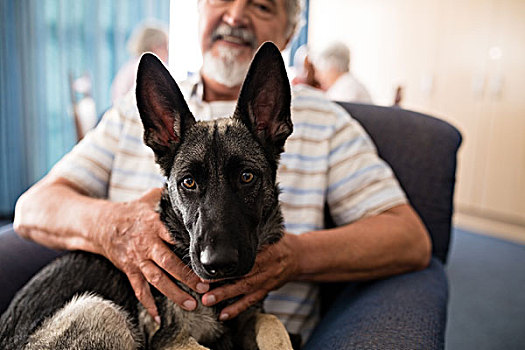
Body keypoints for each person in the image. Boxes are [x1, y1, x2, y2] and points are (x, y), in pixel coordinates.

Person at [13, 0, 431, 346]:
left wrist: (297, 256)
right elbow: (31, 209)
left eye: (261, 4)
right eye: (220, 0)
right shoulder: (130, 113)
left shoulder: (328, 121)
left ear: (288, 33)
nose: (235, 15)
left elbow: (410, 239)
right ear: (198, 14)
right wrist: (113, 226)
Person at [110, 20, 169, 103]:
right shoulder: (144, 68)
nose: (167, 51)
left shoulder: (130, 66)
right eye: (165, 46)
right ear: (155, 46)